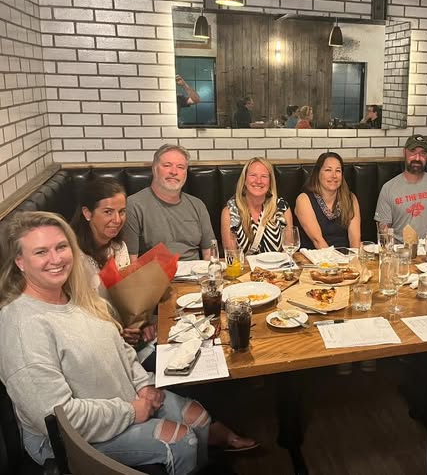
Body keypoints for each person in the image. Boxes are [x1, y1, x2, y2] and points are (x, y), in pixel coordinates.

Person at [0, 212, 256, 474]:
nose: (56, 259)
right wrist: (130, 412)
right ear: (20, 261)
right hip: (72, 440)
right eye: (41, 252)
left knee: (200, 419)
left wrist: (143, 384)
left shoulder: (75, 296)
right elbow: (58, 418)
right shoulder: (22, 327)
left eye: (61, 247)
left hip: (126, 400)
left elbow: (119, 346)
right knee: (182, 441)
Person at [69, 177, 156, 368]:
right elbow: (77, 315)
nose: (117, 220)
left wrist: (143, 322)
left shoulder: (119, 247)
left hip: (128, 339)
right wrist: (117, 332)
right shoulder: (72, 257)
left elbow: (127, 297)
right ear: (87, 213)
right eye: (108, 212)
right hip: (98, 348)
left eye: (122, 212)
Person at [124, 144, 215, 262]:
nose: (174, 172)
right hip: (155, 272)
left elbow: (209, 253)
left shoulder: (198, 205)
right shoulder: (133, 205)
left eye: (180, 167)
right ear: (154, 169)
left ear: (186, 173)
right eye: (167, 165)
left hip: (195, 271)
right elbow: (131, 261)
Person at [374, 134, 427, 241]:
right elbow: (384, 229)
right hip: (400, 249)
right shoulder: (388, 188)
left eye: (423, 153)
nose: (417, 158)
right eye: (413, 152)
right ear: (404, 152)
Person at [221, 157, 294, 254]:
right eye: (253, 175)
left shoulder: (282, 207)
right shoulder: (230, 212)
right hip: (244, 264)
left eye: (264, 176)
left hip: (277, 264)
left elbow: (289, 250)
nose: (258, 181)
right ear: (244, 180)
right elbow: (232, 256)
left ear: (270, 182)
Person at [295, 152, 361, 250]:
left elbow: (355, 240)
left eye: (338, 171)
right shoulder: (304, 200)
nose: (334, 175)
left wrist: (355, 257)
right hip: (316, 256)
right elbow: (318, 241)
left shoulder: (351, 198)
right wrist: (334, 260)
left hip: (345, 256)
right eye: (328, 170)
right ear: (318, 173)